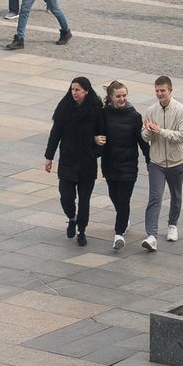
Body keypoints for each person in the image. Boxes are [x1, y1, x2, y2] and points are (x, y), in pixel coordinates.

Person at [45, 76, 106, 247]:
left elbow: (102, 135)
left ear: (86, 91)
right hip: (68, 161)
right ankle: (72, 218)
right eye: (72, 89)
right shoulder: (64, 107)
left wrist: (96, 151)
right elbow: (55, 133)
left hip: (87, 162)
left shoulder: (95, 110)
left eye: (77, 89)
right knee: (66, 196)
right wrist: (49, 157)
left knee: (84, 200)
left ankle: (82, 231)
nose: (74, 93)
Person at [140, 75, 183, 251]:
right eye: (157, 91)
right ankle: (151, 235)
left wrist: (161, 131)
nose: (159, 94)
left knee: (176, 195)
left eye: (163, 91)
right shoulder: (151, 111)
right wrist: (148, 132)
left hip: (176, 161)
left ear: (170, 91)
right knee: (155, 197)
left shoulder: (181, 110)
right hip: (157, 162)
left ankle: (172, 225)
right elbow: (144, 137)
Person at [100, 81, 147, 251]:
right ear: (111, 97)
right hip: (110, 164)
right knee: (114, 196)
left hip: (128, 166)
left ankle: (118, 235)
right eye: (118, 96)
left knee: (123, 199)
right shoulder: (104, 114)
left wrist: (149, 160)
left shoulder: (134, 116)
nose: (122, 99)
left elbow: (141, 142)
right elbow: (97, 134)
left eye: (124, 96)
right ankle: (124, 219)